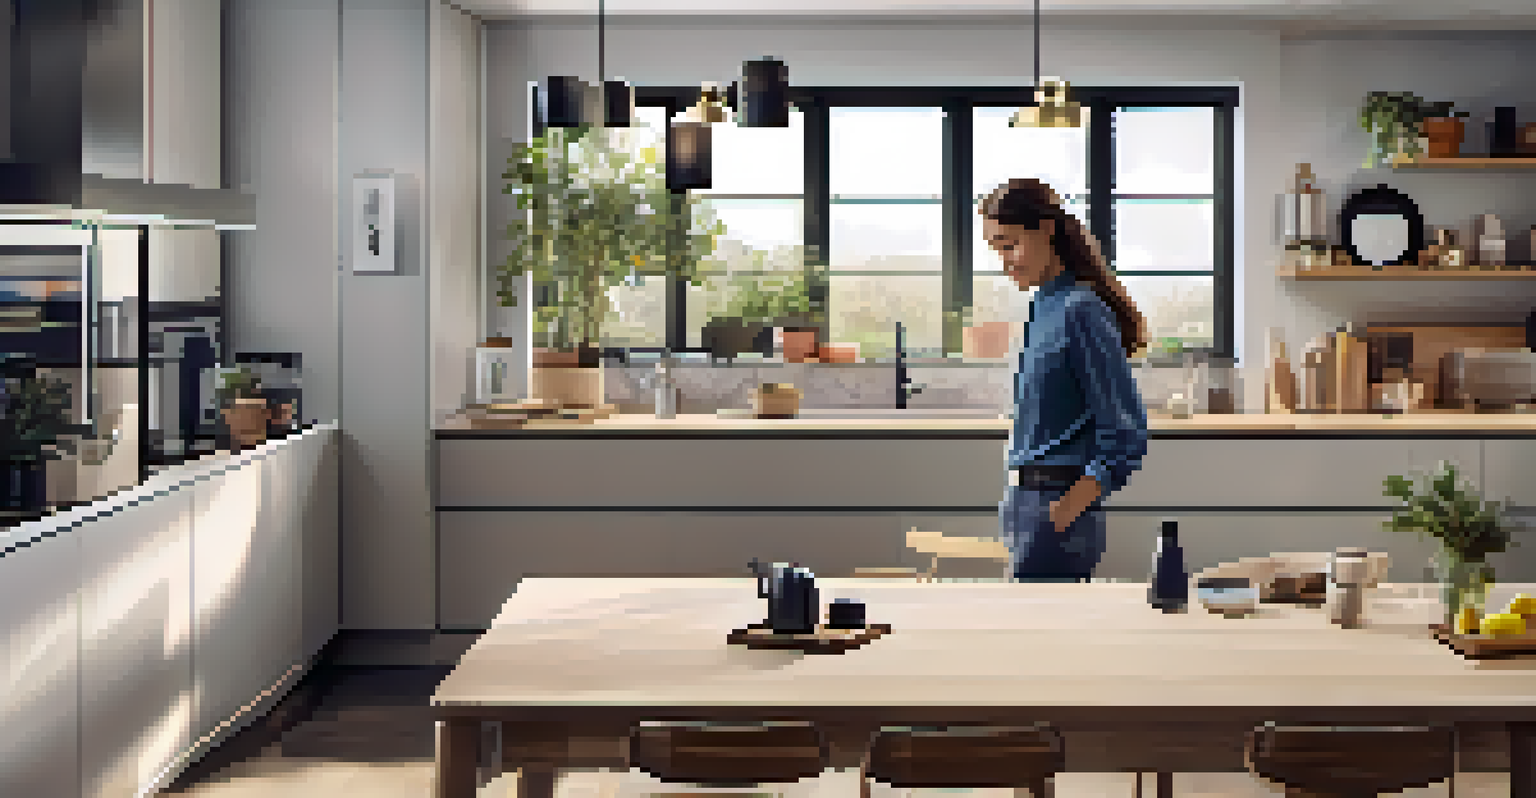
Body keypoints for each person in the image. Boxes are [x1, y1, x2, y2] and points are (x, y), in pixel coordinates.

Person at [979, 178, 1150, 583]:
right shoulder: (1043, 305)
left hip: (1054, 503)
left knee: (1040, 641)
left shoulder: (1081, 310)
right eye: (997, 250)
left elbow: (1126, 432)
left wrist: (1065, 509)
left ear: (1046, 229)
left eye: (1010, 245)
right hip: (1026, 501)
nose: (1006, 262)